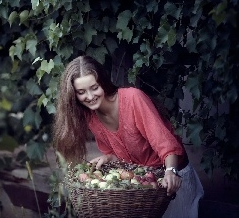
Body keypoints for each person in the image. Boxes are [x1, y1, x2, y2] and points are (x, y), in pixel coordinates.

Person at [53, 55, 204, 218]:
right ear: (74, 95)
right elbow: (127, 155)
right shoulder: (90, 116)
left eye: (94, 87)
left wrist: (171, 171)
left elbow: (167, 145)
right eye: (81, 92)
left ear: (102, 82)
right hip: (144, 187)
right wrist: (111, 157)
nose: (90, 96)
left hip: (172, 181)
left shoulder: (133, 99)